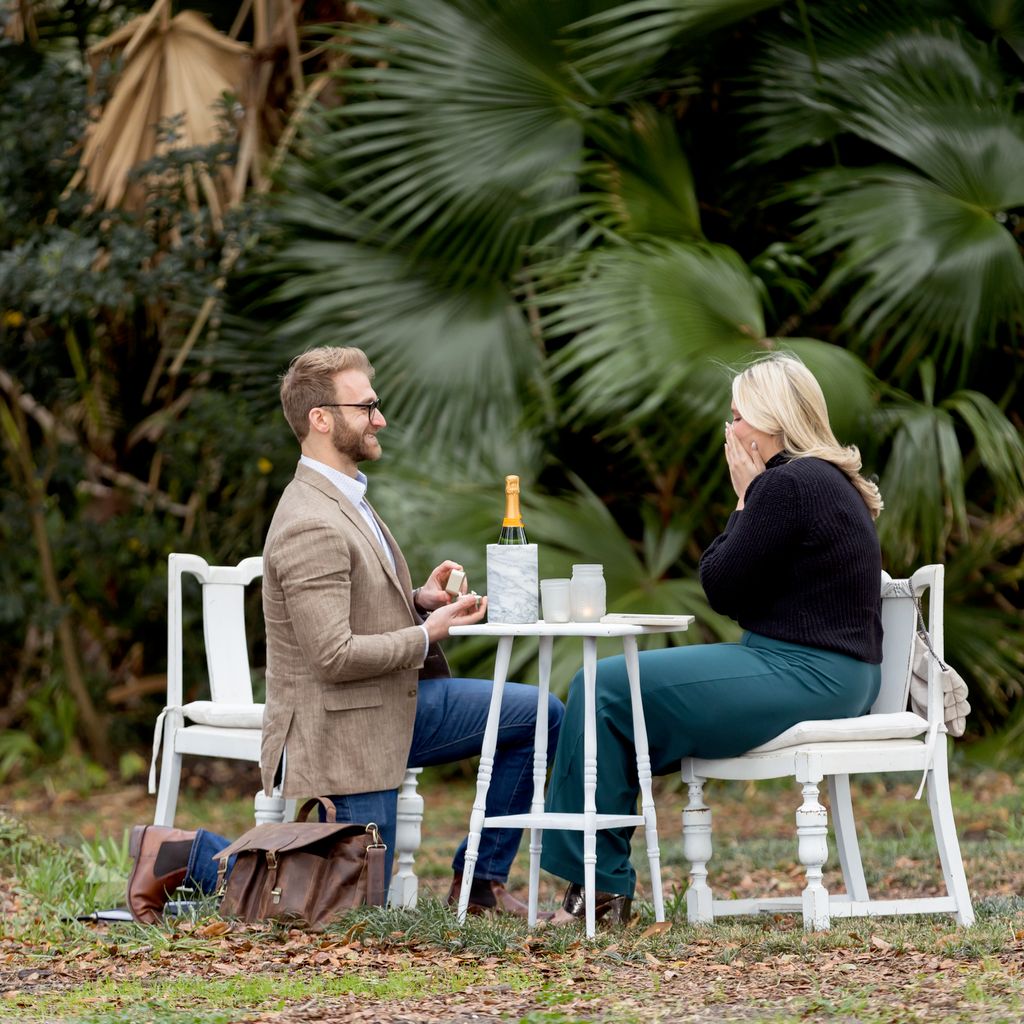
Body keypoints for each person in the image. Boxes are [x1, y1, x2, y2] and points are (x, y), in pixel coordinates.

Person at [128, 346, 564, 925]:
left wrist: (415, 603)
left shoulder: (346, 495)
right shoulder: (310, 519)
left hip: (391, 705)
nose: (380, 419)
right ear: (321, 418)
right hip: (340, 725)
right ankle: (186, 853)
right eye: (367, 407)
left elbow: (347, 611)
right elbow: (332, 656)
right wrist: (427, 632)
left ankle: (481, 885)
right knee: (353, 904)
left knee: (537, 715)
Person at [540, 352, 884, 926]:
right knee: (614, 697)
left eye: (738, 416)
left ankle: (597, 894)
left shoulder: (788, 483)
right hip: (830, 673)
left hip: (808, 673)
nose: (730, 431)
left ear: (769, 421)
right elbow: (746, 591)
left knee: (602, 687)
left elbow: (720, 587)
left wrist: (745, 498)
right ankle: (600, 888)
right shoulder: (823, 479)